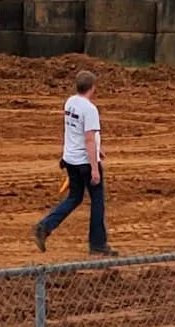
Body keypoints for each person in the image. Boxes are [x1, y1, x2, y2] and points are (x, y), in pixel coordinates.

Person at [34, 70, 116, 257]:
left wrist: (98, 148)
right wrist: (95, 168)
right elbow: (89, 139)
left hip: (70, 159)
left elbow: (77, 132)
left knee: (74, 197)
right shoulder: (90, 109)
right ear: (92, 88)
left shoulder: (70, 102)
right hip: (85, 162)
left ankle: (45, 226)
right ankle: (98, 244)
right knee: (97, 202)